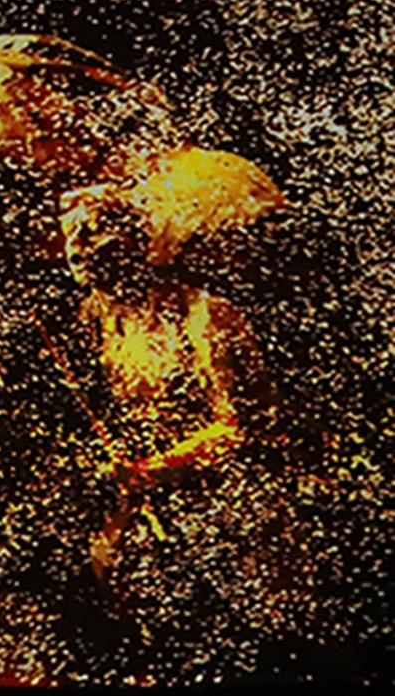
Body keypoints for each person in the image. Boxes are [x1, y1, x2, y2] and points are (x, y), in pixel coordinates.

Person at [56, 180, 317, 674]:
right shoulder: (97, 320)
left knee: (268, 652)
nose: (76, 247)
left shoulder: (205, 318)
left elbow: (239, 430)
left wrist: (153, 469)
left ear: (134, 240)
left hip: (240, 506)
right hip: (162, 509)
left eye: (90, 231)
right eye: (68, 232)